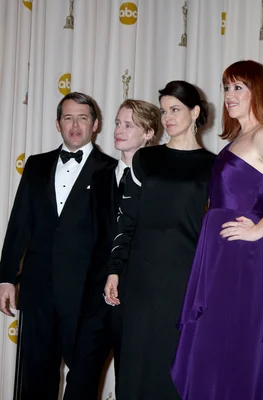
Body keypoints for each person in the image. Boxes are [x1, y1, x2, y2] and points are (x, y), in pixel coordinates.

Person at [171, 60, 263, 400]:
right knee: (212, 342)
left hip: (239, 256)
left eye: (238, 87)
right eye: (227, 87)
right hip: (217, 253)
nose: (229, 95)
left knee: (228, 342)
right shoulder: (238, 137)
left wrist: (262, 228)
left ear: (257, 91)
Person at [104, 81, 216, 399]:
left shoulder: (214, 166)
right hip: (140, 278)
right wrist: (115, 269)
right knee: (135, 363)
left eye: (175, 109)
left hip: (186, 279)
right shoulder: (145, 159)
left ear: (195, 112)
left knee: (175, 364)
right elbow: (127, 219)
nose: (167, 117)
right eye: (164, 110)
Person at [0, 92, 116, 399]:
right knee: (34, 380)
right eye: (68, 118)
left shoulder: (111, 170)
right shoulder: (36, 166)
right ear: (57, 124)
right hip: (38, 292)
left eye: (83, 118)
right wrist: (6, 277)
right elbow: (18, 224)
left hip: (86, 295)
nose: (75, 125)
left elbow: (114, 236)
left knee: (82, 384)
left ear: (95, 124)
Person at [64, 99, 161, 399]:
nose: (118, 130)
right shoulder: (98, 177)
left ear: (149, 133)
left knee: (131, 386)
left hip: (139, 300)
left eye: (128, 125)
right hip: (96, 300)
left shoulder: (160, 182)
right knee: (78, 380)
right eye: (118, 123)